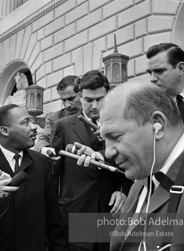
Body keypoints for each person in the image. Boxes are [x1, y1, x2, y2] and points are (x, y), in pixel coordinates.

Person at [79, 81, 184, 250]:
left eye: (115, 136)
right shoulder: (139, 184)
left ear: (158, 125)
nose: (109, 152)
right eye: (105, 140)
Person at [0, 104, 67, 251]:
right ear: (4, 130)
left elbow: (53, 218)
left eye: (32, 122)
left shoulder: (42, 163)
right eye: (25, 122)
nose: (34, 127)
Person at [51, 70, 132, 251]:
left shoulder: (123, 124)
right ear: (80, 96)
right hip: (77, 211)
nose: (94, 106)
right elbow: (54, 173)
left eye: (100, 99)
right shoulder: (62, 126)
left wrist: (123, 190)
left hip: (112, 212)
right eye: (88, 100)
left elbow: (134, 162)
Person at [34, 75, 82, 155]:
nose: (67, 105)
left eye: (71, 99)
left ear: (81, 94)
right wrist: (45, 149)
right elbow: (43, 141)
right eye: (63, 100)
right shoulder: (54, 118)